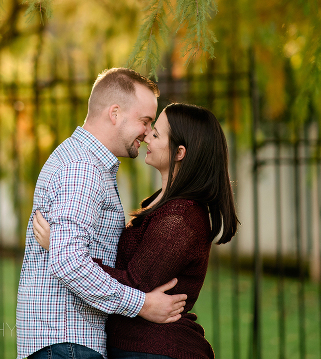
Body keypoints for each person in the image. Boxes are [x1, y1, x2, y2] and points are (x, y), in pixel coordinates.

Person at [33, 103, 239, 359]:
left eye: (157, 133)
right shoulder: (164, 205)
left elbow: (135, 284)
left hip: (157, 349)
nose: (147, 134)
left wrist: (61, 246)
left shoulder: (180, 218)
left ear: (180, 152)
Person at [17, 68, 189, 359]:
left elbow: (69, 254)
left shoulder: (83, 162)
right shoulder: (83, 169)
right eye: (145, 121)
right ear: (115, 113)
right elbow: (69, 262)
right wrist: (143, 304)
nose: (148, 133)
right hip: (69, 342)